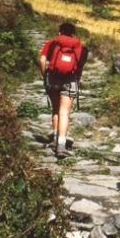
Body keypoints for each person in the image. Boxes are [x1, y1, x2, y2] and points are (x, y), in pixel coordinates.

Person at [39, 22, 86, 159]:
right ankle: (61, 145)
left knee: (55, 109)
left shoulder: (51, 43)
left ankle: (54, 138)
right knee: (64, 113)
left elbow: (42, 60)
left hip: (53, 78)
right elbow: (80, 67)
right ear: (73, 34)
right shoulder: (79, 47)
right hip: (70, 80)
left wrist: (45, 75)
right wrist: (77, 78)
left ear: (59, 32)